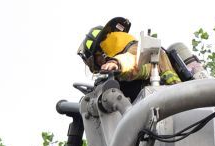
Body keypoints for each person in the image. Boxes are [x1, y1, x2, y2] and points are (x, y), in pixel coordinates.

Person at [77, 18, 206, 100]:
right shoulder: (127, 51)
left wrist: (117, 63)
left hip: (171, 100)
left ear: (102, 52)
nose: (100, 66)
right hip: (172, 100)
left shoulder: (133, 50)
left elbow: (134, 61)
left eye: (97, 61)